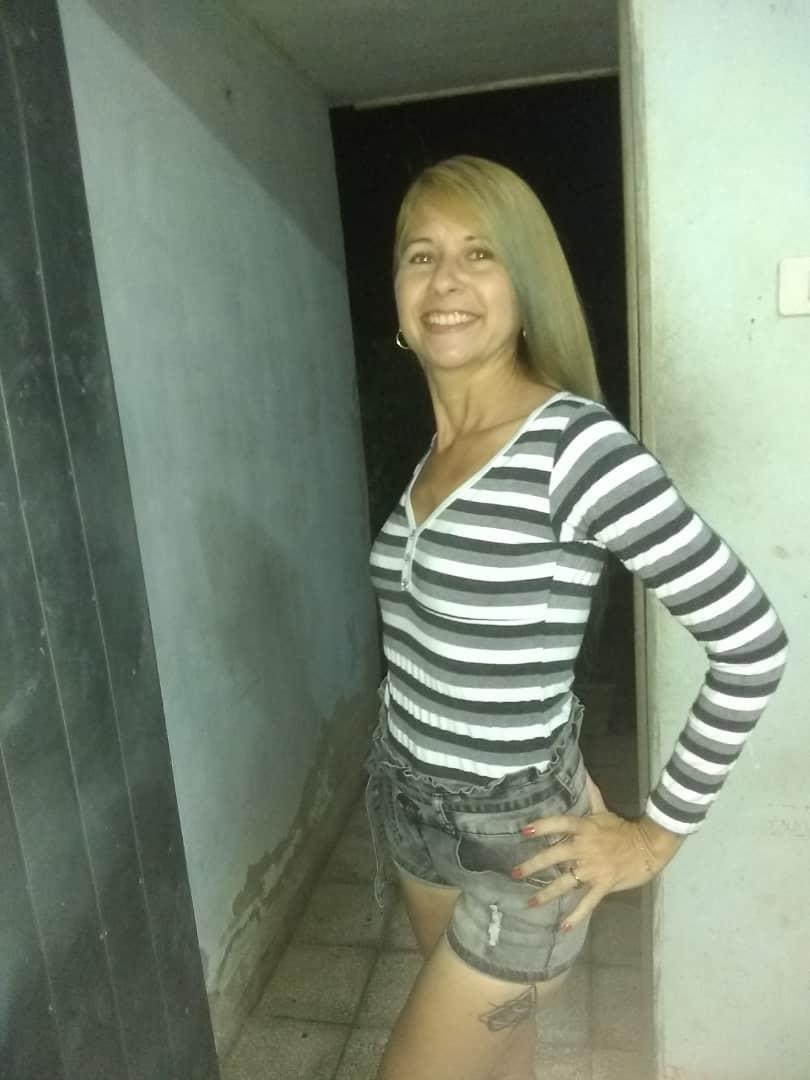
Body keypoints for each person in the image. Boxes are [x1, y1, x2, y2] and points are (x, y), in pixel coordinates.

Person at [365, 155, 787, 1080]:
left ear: (526, 284)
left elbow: (752, 643)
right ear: (397, 293)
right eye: (420, 255)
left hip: (519, 844)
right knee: (499, 1057)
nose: (444, 279)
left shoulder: (575, 445)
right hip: (408, 802)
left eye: (479, 253)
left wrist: (653, 837)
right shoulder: (439, 450)